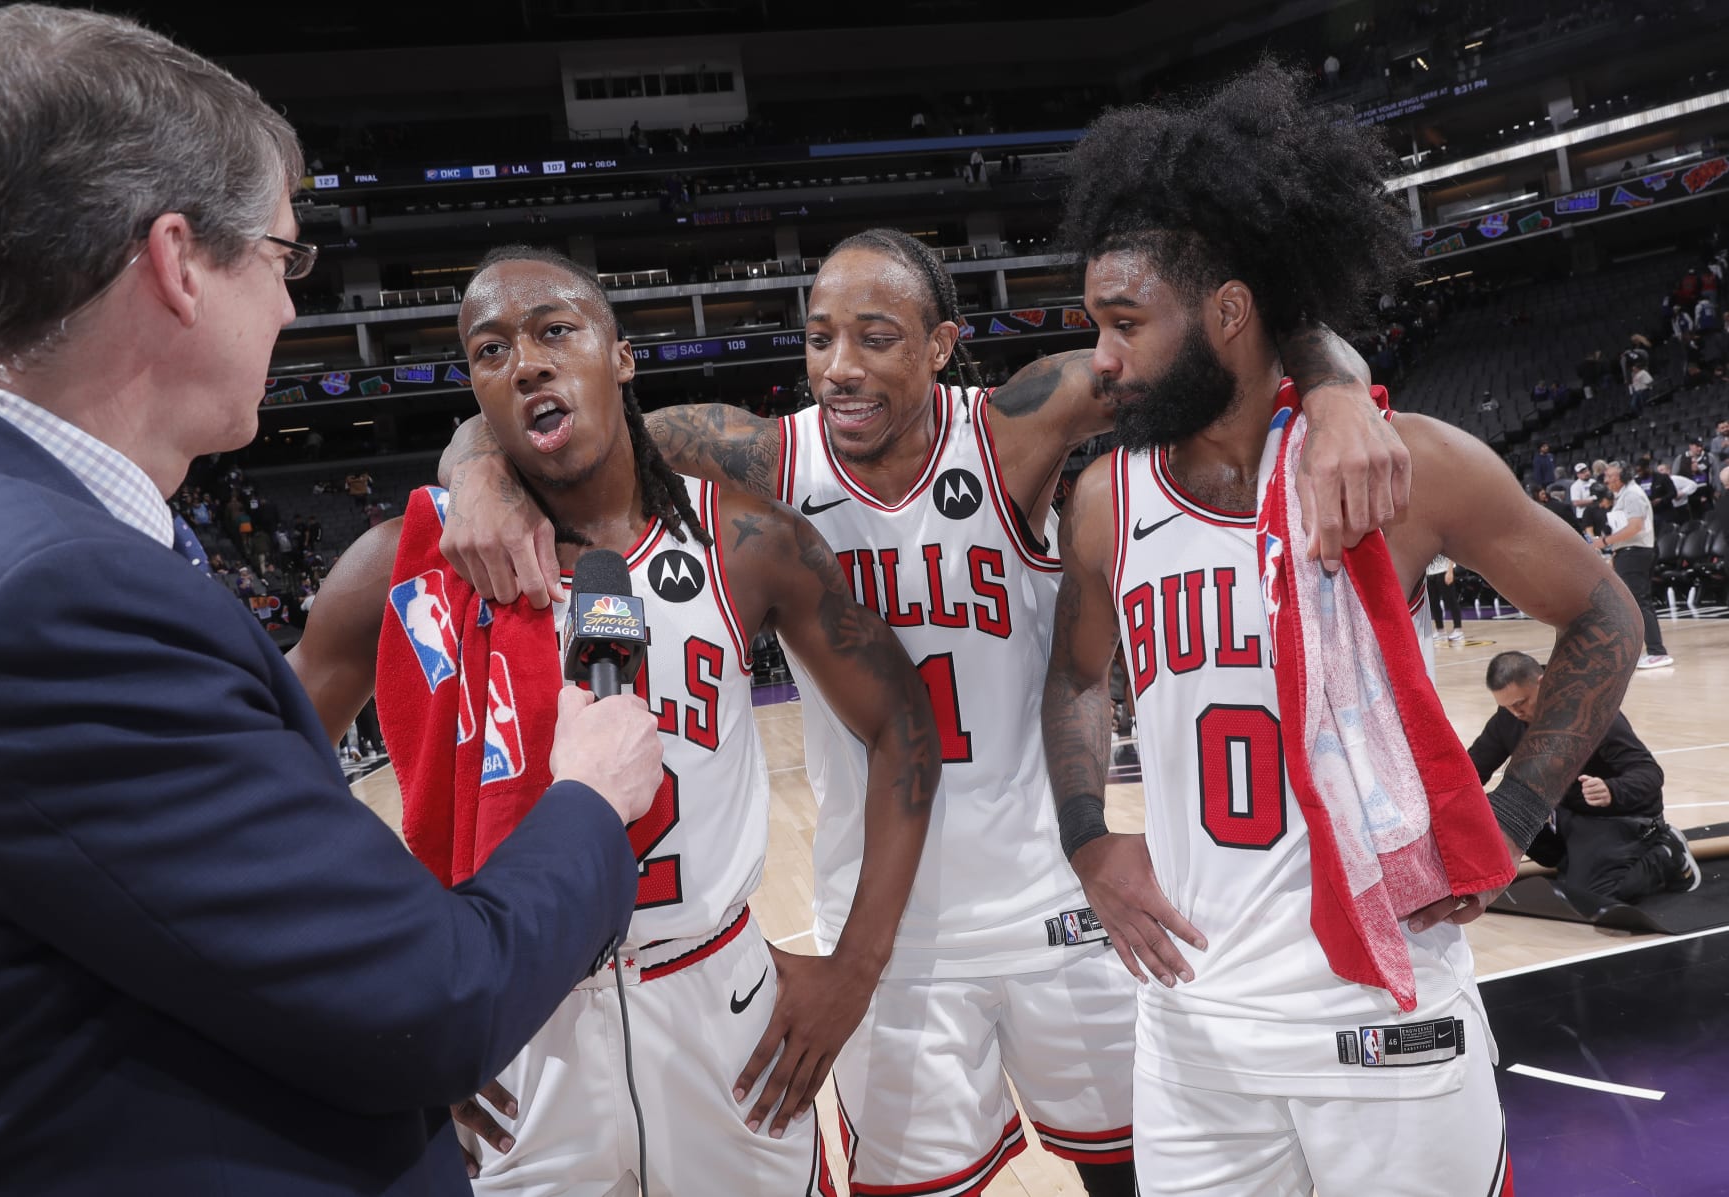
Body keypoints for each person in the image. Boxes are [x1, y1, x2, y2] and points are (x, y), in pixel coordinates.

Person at [436, 227, 1413, 1193]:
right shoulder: (768, 458)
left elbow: (1222, 334)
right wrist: (476, 472)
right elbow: (558, 416)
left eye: (876, 336)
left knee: (1133, 1178)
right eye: (820, 338)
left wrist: (1331, 392)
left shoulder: (1014, 426)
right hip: (888, 934)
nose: (841, 368)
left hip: (1056, 907)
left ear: (940, 346)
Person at [0, 8, 666, 1196]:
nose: (288, 306)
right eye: (283, 257)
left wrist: (472, 457)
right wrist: (589, 795)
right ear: (176, 263)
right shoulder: (52, 601)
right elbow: (429, 1002)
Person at [1039, 64, 1643, 1197]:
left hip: (1378, 1012)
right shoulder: (1102, 499)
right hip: (1191, 1028)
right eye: (1095, 326)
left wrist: (1512, 817)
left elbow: (1604, 608)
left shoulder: (1393, 465)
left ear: (1227, 313)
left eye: (1126, 324)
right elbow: (1076, 679)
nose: (1102, 359)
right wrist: (1087, 835)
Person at [288, 246, 939, 1195]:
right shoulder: (397, 567)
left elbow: (903, 721)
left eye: (556, 330)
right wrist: (386, 1005)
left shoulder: (746, 541)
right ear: (475, 393)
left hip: (718, 1005)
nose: (528, 362)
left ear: (621, 356)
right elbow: (264, 788)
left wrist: (857, 967)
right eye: (491, 350)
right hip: (508, 1020)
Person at [1469, 652, 1697, 903]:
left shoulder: (1591, 710)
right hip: (1564, 815)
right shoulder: (1509, 717)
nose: (1515, 712)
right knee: (1485, 809)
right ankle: (1580, 861)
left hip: (1615, 816)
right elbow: (1471, 771)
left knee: (1593, 895)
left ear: (1543, 683)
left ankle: (1668, 854)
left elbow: (1650, 773)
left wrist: (1612, 789)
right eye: (1507, 706)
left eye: (1521, 702)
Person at [1597, 461, 1673, 668]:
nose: (1606, 480)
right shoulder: (1623, 495)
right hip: (1628, 553)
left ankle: (1658, 651)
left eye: (1610, 476)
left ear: (1622, 476)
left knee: (1641, 603)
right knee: (1636, 604)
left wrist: (1604, 542)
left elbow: (1635, 527)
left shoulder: (1632, 495)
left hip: (1635, 553)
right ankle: (1649, 650)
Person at [1424, 553, 1463, 644]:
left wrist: (1450, 571)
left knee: (1451, 600)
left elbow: (1451, 553)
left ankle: (1458, 629)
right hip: (1430, 572)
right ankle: (1440, 629)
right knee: (1433, 602)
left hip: (1444, 570)